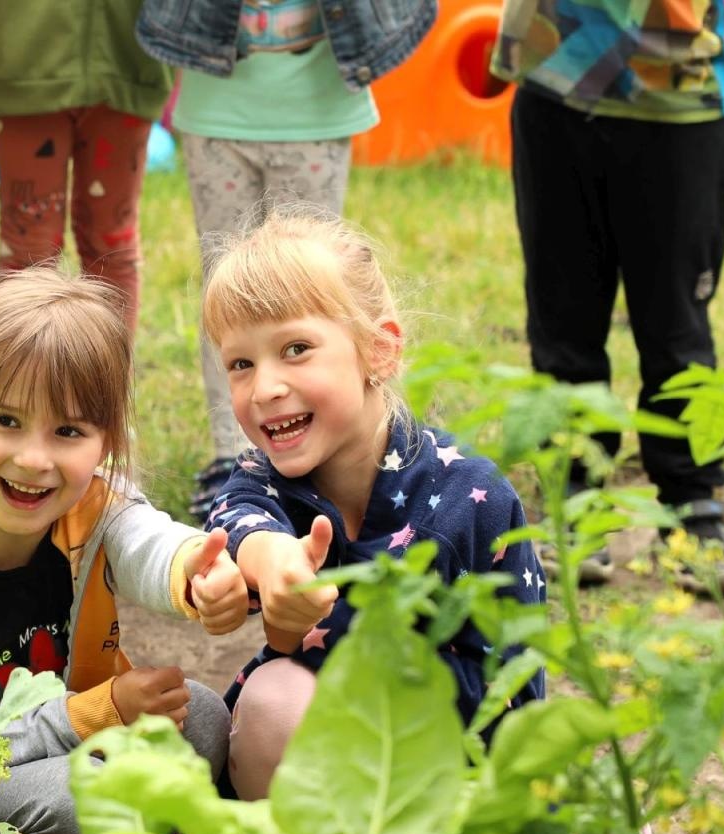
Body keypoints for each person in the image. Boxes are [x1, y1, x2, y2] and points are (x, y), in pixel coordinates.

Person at [0, 269, 247, 834]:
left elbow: (149, 542)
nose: (35, 459)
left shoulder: (92, 509)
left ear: (105, 443)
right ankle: (147, 832)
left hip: (84, 743)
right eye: (6, 421)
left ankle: (138, 832)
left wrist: (197, 569)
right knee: (80, 800)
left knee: (208, 716)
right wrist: (96, 712)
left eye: (68, 431)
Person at [199, 208, 546, 800]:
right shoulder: (264, 479)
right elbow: (241, 521)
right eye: (241, 363)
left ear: (378, 352)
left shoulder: (471, 498)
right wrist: (270, 566)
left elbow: (516, 688)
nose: (264, 388)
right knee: (271, 701)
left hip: (451, 765)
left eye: (296, 348)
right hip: (328, 760)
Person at [491, 0, 724, 596]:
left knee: (678, 331)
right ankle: (572, 498)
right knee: (562, 320)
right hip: (556, 90)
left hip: (680, 108)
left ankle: (692, 506)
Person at [135, 0, 434, 522]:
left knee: (314, 293)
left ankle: (348, 450)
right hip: (216, 104)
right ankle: (236, 457)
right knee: (225, 296)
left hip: (315, 106)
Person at [0, 0, 171, 335]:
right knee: (28, 254)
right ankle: (25, 385)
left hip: (126, 55)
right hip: (21, 57)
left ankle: (107, 384)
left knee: (111, 248)